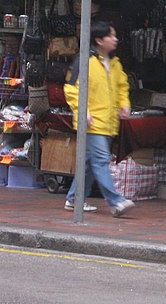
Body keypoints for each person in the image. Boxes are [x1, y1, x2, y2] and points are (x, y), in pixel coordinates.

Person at [63, 20, 135, 217]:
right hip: (91, 122)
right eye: (111, 35)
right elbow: (71, 89)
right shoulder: (84, 61)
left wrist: (125, 103)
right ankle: (116, 201)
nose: (115, 39)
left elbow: (122, 86)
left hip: (108, 122)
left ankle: (73, 199)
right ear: (99, 40)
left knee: (89, 164)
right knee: (101, 160)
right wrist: (82, 110)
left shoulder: (115, 63)